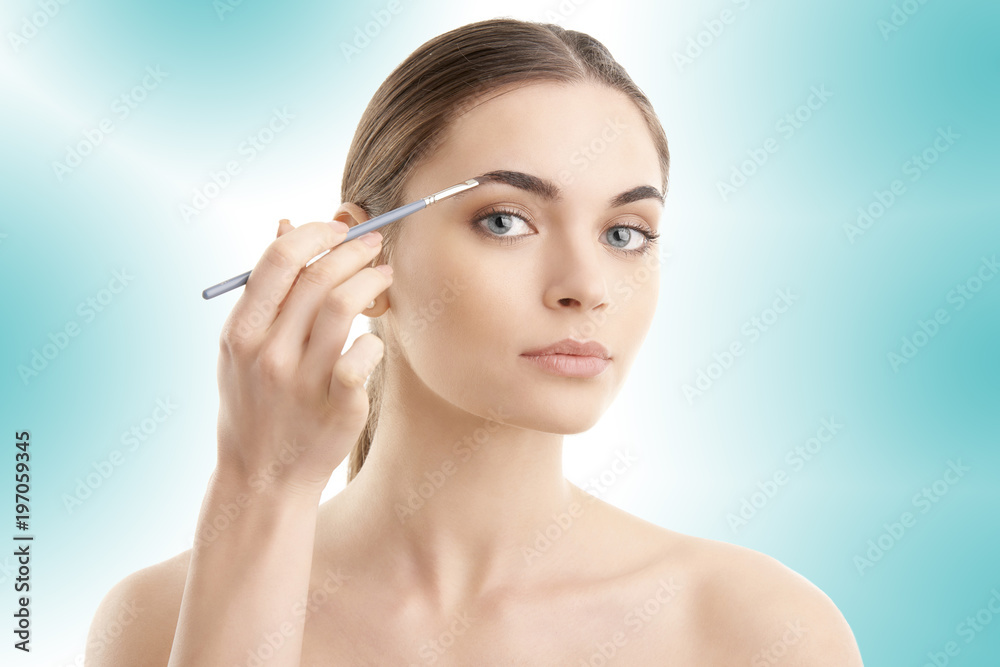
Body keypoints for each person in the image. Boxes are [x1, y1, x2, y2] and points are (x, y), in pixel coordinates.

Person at [87, 17, 863, 666]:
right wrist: (261, 482)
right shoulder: (156, 622)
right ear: (366, 252)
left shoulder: (757, 629)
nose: (585, 284)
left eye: (626, 233)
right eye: (505, 219)